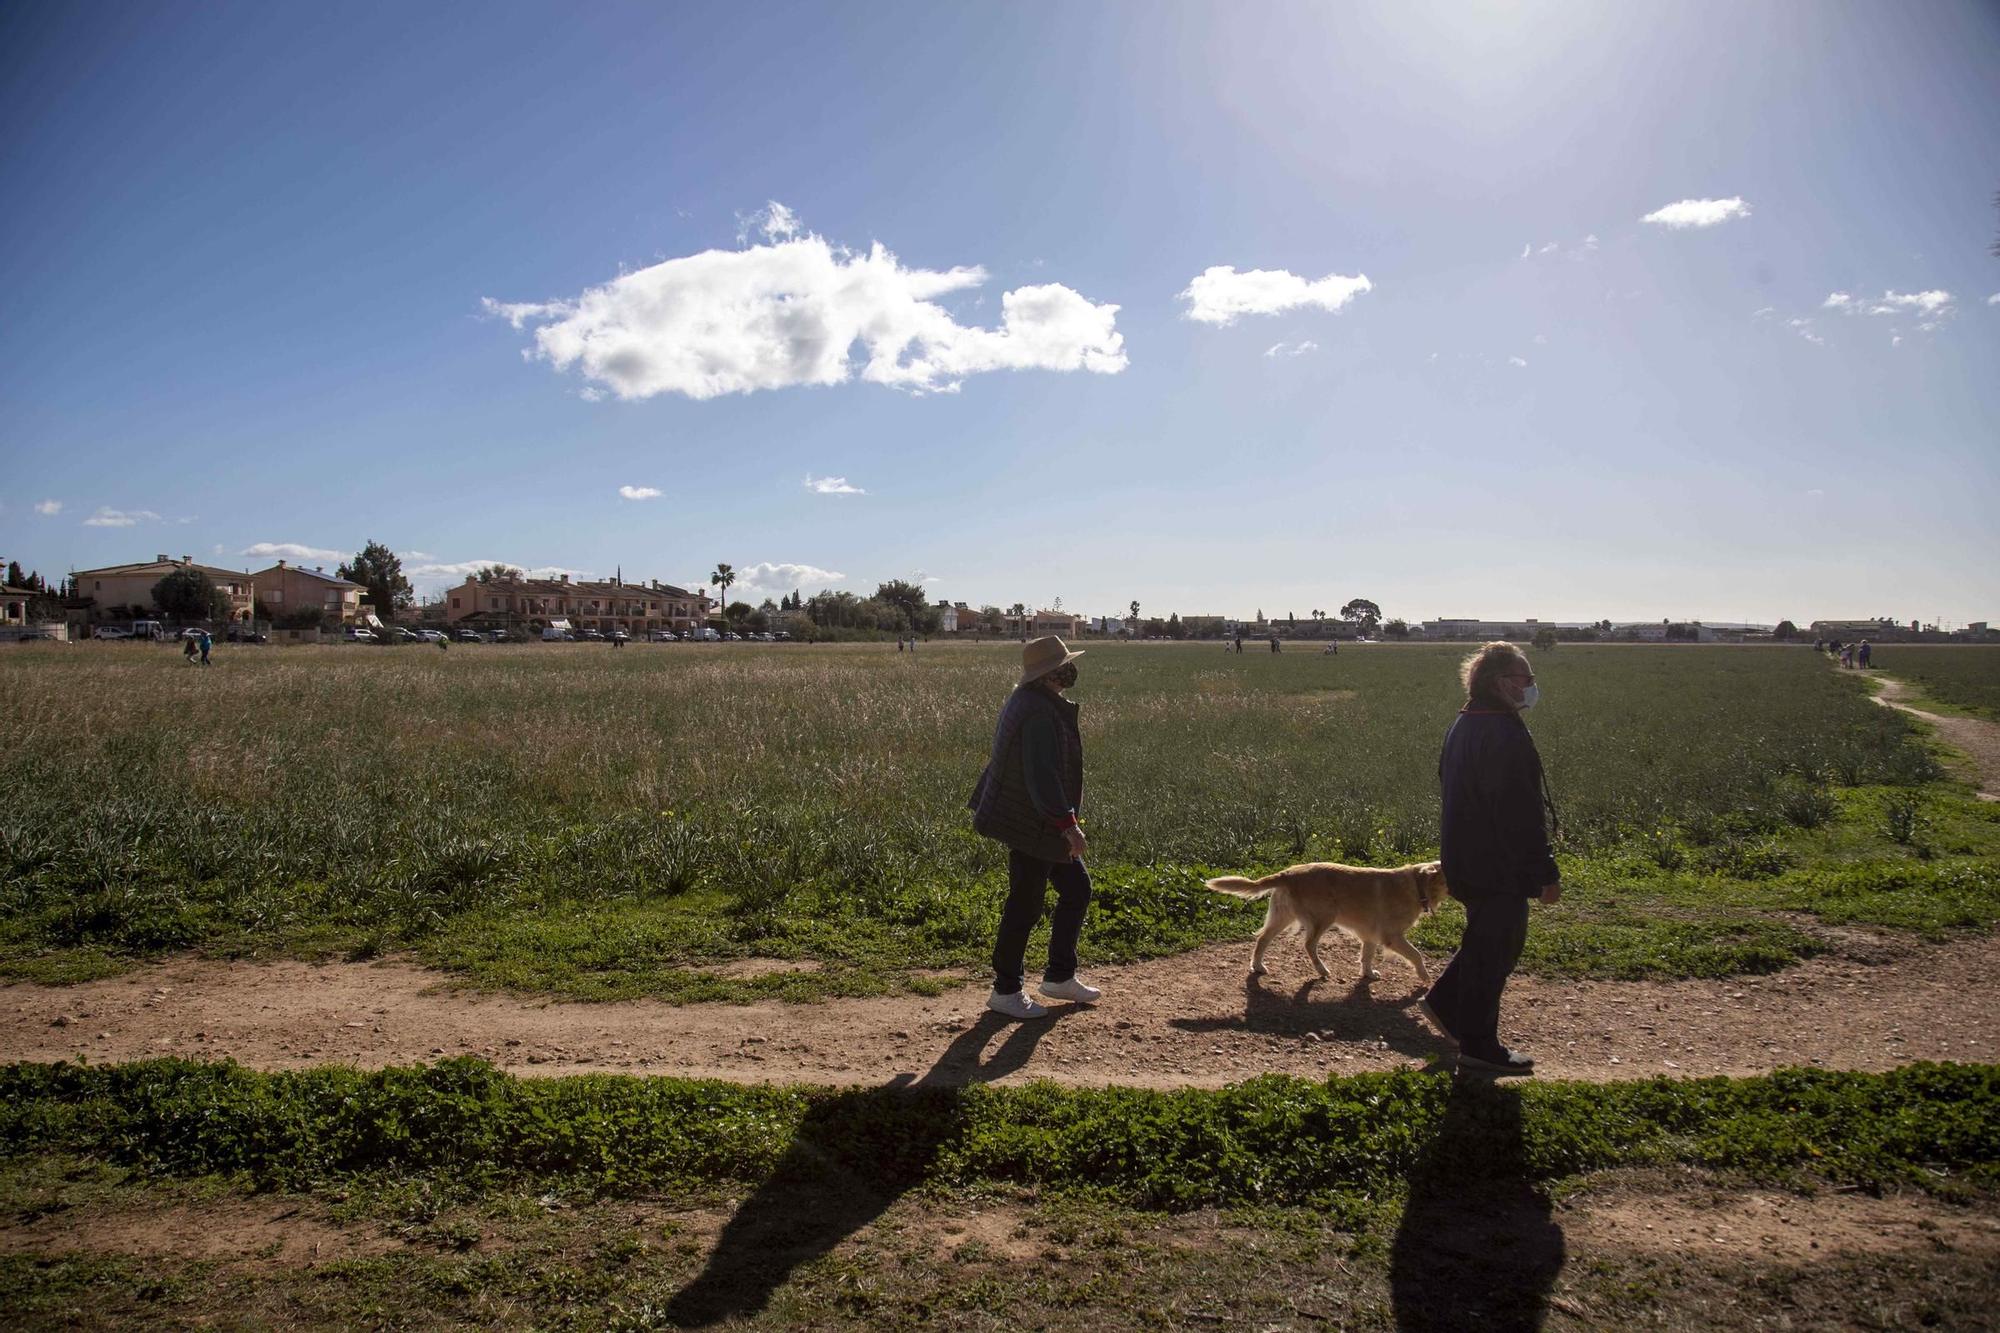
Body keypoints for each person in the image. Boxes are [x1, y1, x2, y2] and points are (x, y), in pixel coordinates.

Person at [1419, 642, 1560, 1075]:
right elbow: (1519, 812)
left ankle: (1445, 1004)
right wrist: (1543, 871)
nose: (1532, 687)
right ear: (1502, 684)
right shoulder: (1502, 731)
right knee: (1496, 948)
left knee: (1488, 940)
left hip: (1463, 858)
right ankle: (1479, 1047)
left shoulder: (1464, 723)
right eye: (1526, 679)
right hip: (1495, 864)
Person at [968, 635, 1100, 1019]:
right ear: (1052, 674)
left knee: (1075, 889)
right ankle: (1005, 990)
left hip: (1031, 819)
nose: (1070, 670)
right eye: (1064, 665)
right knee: (1026, 905)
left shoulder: (1030, 701)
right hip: (1032, 823)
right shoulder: (1039, 711)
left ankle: (1059, 976)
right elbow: (1042, 776)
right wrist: (1068, 825)